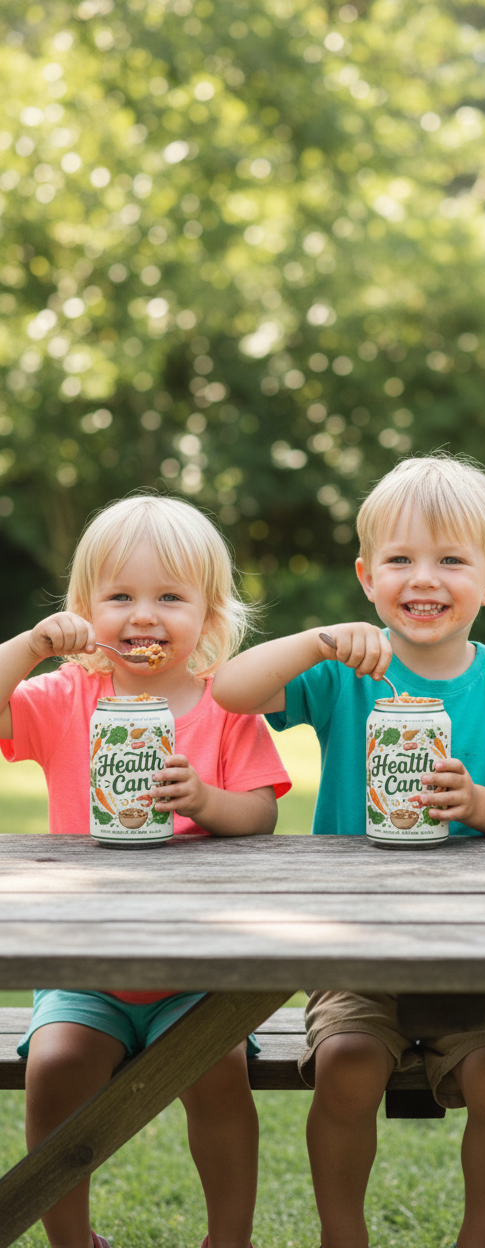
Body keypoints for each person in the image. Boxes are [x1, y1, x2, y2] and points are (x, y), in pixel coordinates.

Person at [213, 455, 485, 1248]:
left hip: (482, 953)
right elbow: (230, 691)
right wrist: (315, 642)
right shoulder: (348, 671)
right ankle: (344, 1235)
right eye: (401, 559)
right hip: (355, 945)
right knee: (345, 1065)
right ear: (367, 577)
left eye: (451, 560)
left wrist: (478, 803)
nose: (424, 578)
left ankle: (480, 1239)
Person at [0, 494, 291, 1248]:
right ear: (86, 609)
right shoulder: (67, 696)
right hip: (85, 963)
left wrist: (207, 800)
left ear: (209, 613)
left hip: (198, 967)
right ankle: (71, 1237)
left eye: (169, 598)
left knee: (218, 1076)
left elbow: (261, 814)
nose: (143, 617)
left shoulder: (227, 705)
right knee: (54, 1068)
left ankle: (228, 1237)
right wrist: (30, 647)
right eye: (120, 597)